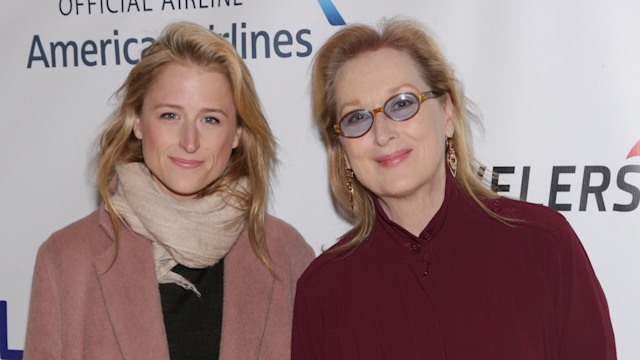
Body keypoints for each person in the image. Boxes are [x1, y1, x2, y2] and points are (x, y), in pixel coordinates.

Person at [292, 18, 616, 359]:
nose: (382, 133)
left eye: (402, 103)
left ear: (447, 113)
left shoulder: (544, 246)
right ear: (342, 149)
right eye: (357, 117)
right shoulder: (322, 292)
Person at [24, 21, 314, 360]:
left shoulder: (285, 255)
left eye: (210, 119)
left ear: (236, 133)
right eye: (170, 115)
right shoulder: (66, 260)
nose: (189, 142)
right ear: (136, 121)